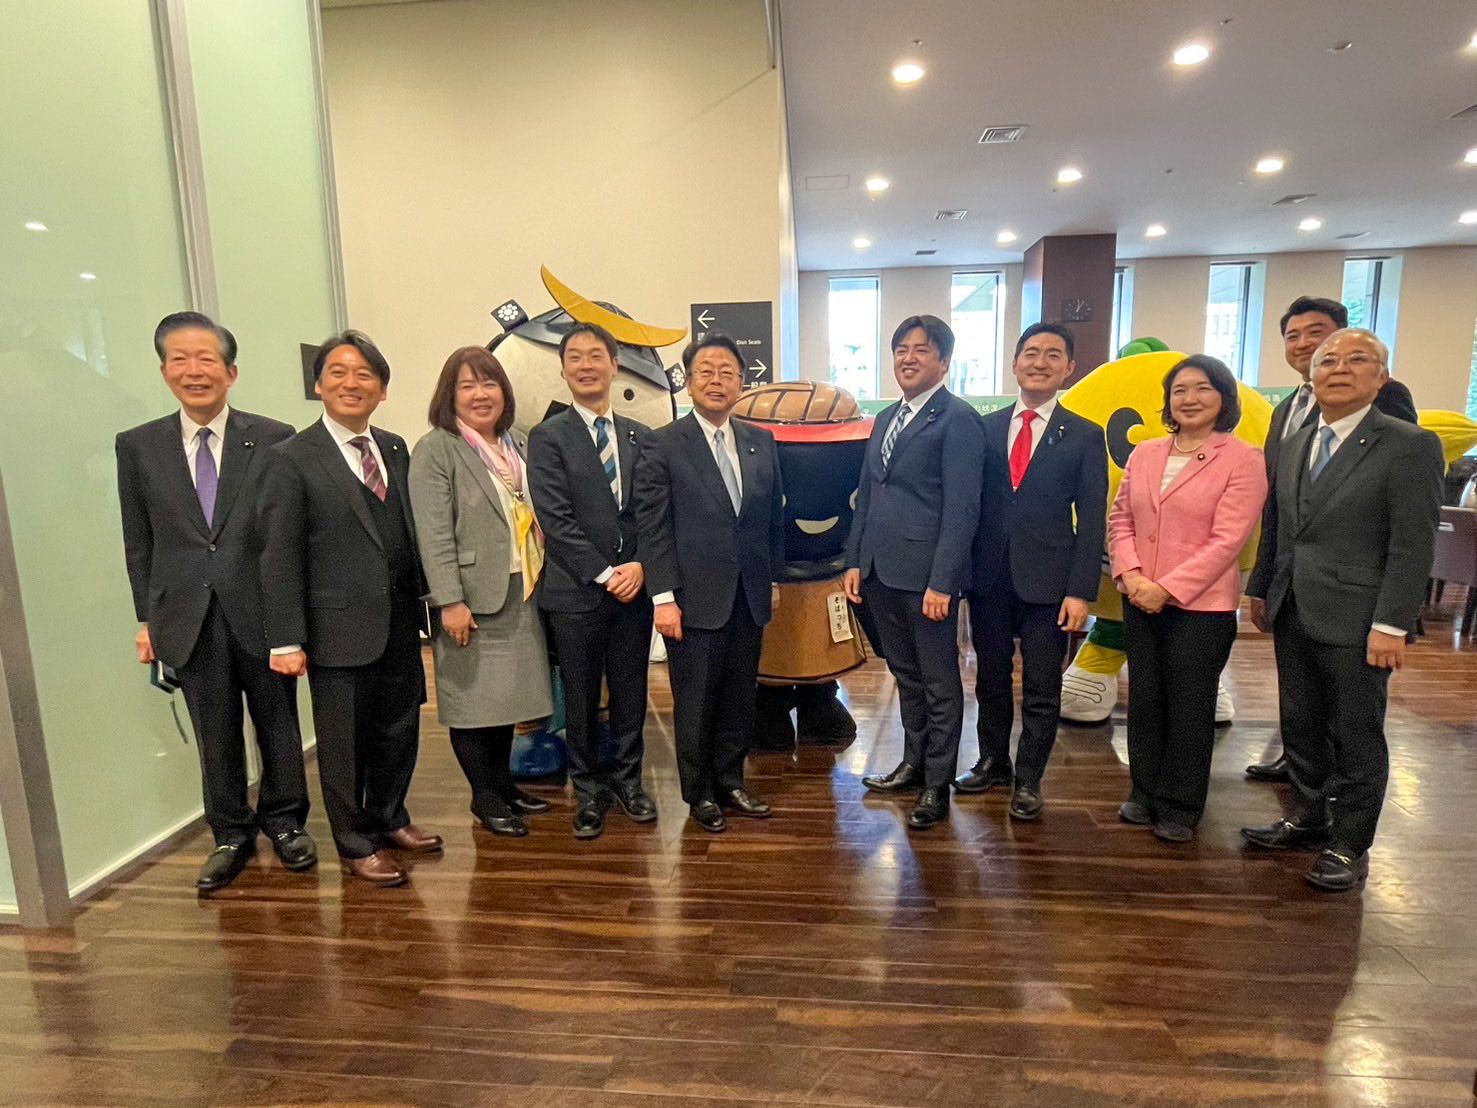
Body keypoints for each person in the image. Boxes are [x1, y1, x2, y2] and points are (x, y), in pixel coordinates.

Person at [116, 312, 314, 891]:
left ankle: (285, 822)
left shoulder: (274, 437)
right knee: (215, 733)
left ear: (231, 372)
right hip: (188, 616)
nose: (194, 370)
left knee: (278, 724)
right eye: (180, 359)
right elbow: (138, 541)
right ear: (164, 371)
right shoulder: (138, 446)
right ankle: (230, 834)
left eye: (206, 358)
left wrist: (292, 622)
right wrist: (146, 619)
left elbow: (285, 536)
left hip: (261, 611)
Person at [1242, 328, 1442, 890]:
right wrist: (1260, 589)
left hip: (1360, 617)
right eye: (1328, 361)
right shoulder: (1297, 440)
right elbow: (1278, 525)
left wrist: (1392, 623)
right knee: (1300, 722)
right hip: (1292, 605)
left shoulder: (1408, 445)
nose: (1339, 369)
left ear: (1382, 378)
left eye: (1357, 359)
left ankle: (1350, 842)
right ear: (1312, 377)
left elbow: (1413, 544)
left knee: (1356, 732)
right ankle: (1308, 817)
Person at [259, 330, 441, 887]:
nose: (351, 383)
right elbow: (278, 555)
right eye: (337, 372)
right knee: (343, 746)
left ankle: (390, 817)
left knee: (398, 731)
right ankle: (355, 842)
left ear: (382, 390)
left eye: (365, 374)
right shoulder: (291, 458)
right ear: (318, 385)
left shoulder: (394, 447)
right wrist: (285, 638)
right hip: (335, 629)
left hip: (399, 623)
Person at [1245, 296, 1419, 782]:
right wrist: (1262, 585)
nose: (1305, 345)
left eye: (1317, 334)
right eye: (1293, 336)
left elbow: (1409, 529)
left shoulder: (1393, 415)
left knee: (1355, 722)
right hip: (1293, 591)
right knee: (1300, 709)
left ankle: (1348, 820)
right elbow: (1279, 509)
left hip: (1354, 598)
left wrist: (1393, 620)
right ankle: (1306, 791)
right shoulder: (1287, 413)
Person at [1108, 355, 1266, 843]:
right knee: (1145, 700)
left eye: (1202, 389)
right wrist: (1131, 574)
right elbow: (1121, 519)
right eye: (1179, 390)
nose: (1189, 399)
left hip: (1201, 608)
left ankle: (1180, 805)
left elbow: (1228, 540)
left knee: (1189, 707)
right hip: (1139, 598)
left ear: (1224, 398)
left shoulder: (1243, 458)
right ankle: (1144, 790)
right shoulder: (1145, 453)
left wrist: (1167, 588)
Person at [956, 323, 1107, 820]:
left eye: (1053, 355)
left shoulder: (1085, 434)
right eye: (1031, 353)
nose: (1040, 362)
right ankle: (992, 762)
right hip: (989, 579)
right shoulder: (984, 428)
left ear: (1070, 368)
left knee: (1043, 686)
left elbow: (1092, 520)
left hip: (1051, 584)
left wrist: (1080, 591)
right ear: (1015, 363)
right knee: (991, 679)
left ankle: (1029, 778)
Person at [634, 332, 785, 833]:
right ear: (688, 380)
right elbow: (653, 527)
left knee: (740, 695)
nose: (717, 380)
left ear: (741, 382)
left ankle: (731, 780)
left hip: (749, 594)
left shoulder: (761, 441)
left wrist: (774, 581)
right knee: (696, 701)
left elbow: (771, 521)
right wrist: (662, 598)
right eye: (706, 371)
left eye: (727, 372)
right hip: (692, 598)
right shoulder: (662, 443)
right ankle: (698, 793)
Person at [844, 315, 985, 830]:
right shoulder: (886, 417)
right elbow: (868, 494)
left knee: (940, 683)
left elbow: (963, 509)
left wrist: (942, 581)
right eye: (901, 349)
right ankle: (913, 764)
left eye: (921, 350)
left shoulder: (958, 420)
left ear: (944, 361)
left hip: (927, 580)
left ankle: (936, 785)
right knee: (905, 676)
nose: (908, 358)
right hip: (880, 572)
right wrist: (855, 559)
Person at [409, 346, 554, 840]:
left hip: (521, 588)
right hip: (470, 597)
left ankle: (504, 787)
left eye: (488, 383)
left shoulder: (518, 444)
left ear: (504, 392)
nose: (479, 394)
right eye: (466, 385)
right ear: (449, 395)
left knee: (505, 700)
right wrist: (449, 599)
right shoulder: (437, 449)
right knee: (472, 703)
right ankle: (484, 797)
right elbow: (433, 533)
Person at [527, 322, 657, 840]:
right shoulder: (548, 436)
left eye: (596, 355)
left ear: (614, 365)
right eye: (575, 357)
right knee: (580, 698)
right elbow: (555, 518)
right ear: (563, 370)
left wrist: (641, 565)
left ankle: (629, 782)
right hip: (577, 592)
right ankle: (587, 791)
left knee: (631, 692)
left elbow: (652, 512)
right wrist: (605, 574)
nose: (586, 365)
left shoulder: (640, 436)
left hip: (634, 591)